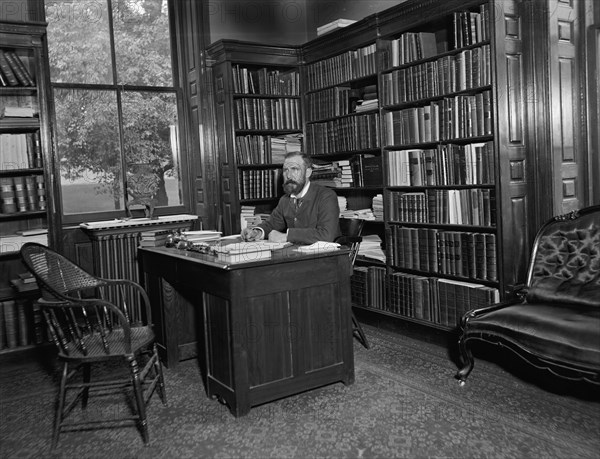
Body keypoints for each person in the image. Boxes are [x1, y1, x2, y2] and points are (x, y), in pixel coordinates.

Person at [241, 152, 340, 244]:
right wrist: (257, 232)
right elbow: (271, 225)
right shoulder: (285, 200)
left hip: (326, 258)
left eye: (294, 169)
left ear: (308, 172)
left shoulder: (326, 196)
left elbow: (327, 235)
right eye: (285, 170)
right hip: (296, 256)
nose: (288, 175)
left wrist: (287, 236)